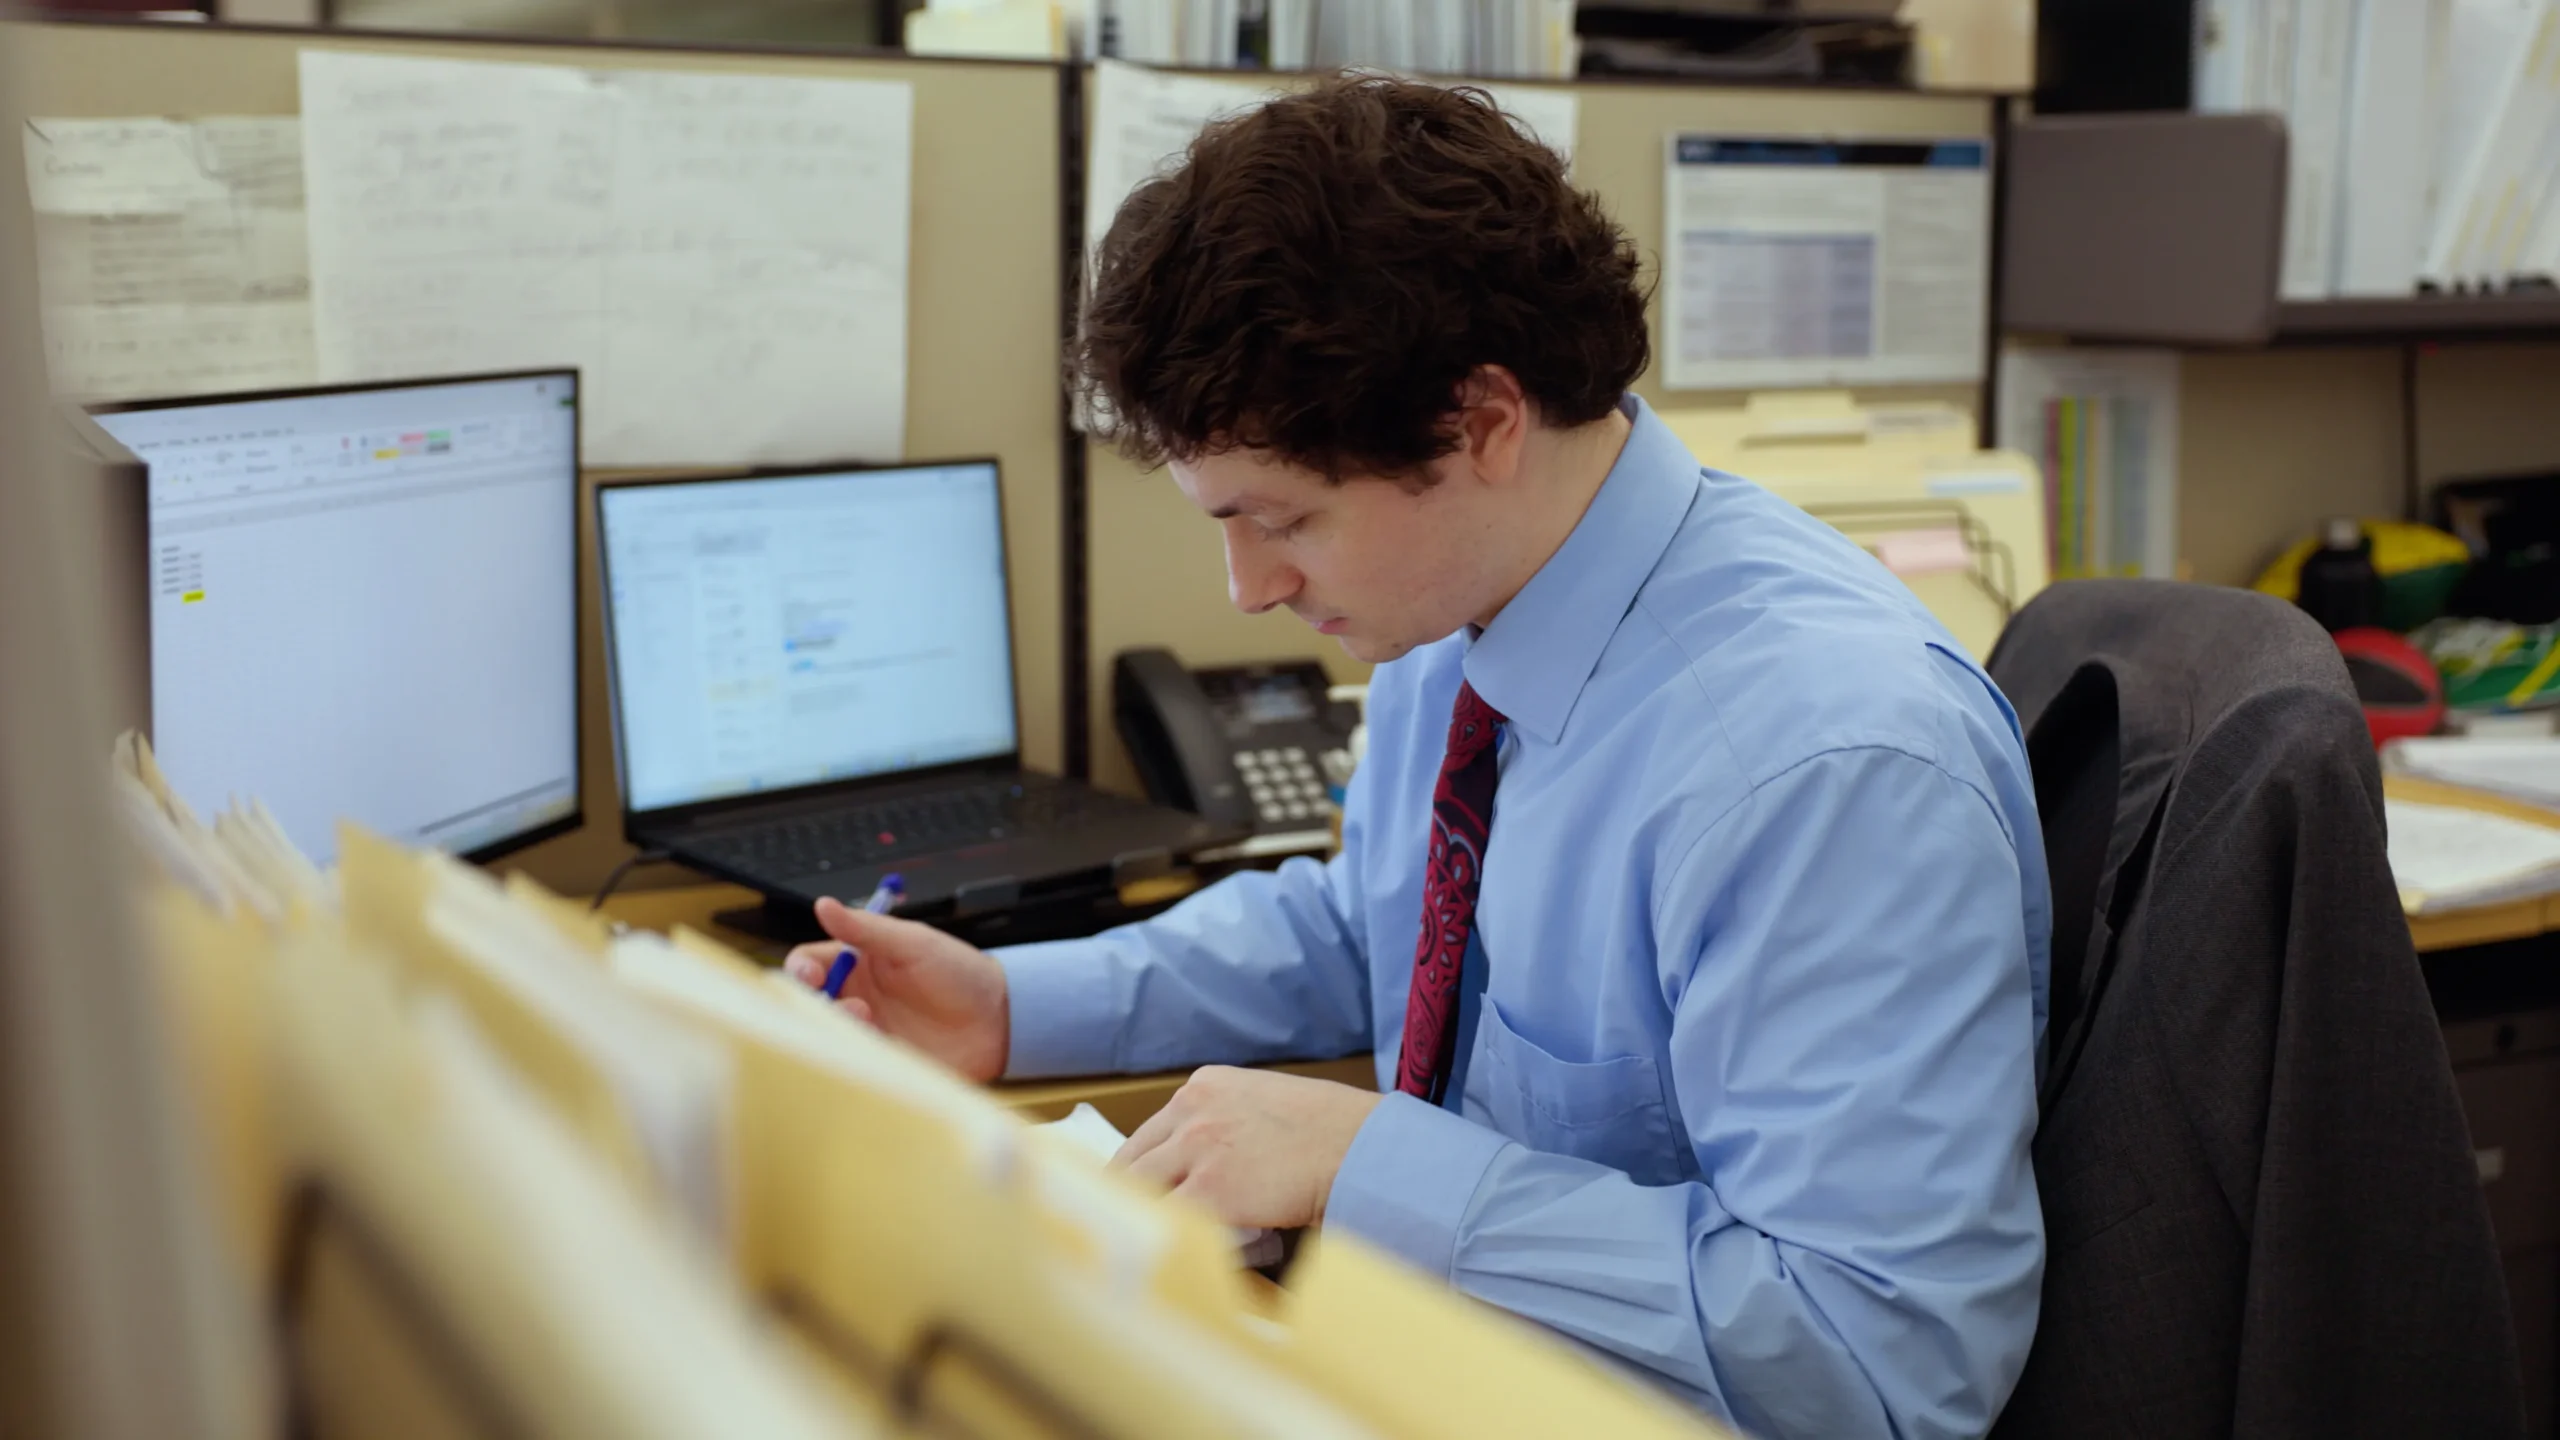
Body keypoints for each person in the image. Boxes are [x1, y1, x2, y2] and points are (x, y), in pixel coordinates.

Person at [786, 75, 2051, 1439]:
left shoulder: (1819, 767)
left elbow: (1880, 1362)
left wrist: (1368, 1167)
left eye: (1287, 521)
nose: (1247, 589)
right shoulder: (1461, 615)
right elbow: (1369, 929)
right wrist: (1012, 1007)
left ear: (1481, 422)